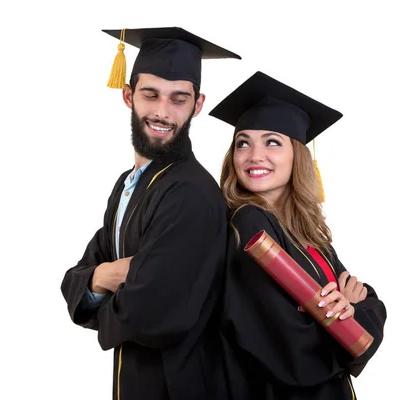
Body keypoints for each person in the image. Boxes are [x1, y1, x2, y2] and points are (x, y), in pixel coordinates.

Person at [60, 27, 240, 400]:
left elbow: (155, 309)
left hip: (183, 385)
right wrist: (109, 274)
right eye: (150, 94)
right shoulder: (128, 184)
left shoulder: (192, 193)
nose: (162, 111)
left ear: (198, 104)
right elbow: (77, 277)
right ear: (128, 96)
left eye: (178, 98)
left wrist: (107, 282)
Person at [209, 71, 387, 399]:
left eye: (272, 142)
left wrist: (351, 309)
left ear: (298, 154)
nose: (253, 156)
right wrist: (348, 315)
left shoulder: (308, 232)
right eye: (242, 143)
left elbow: (366, 297)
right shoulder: (247, 224)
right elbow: (290, 343)